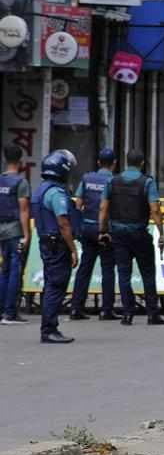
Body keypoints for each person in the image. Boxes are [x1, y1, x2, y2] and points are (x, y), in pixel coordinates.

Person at [98, 148, 164, 326]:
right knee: (148, 273)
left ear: (126, 162)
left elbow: (103, 208)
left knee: (123, 274)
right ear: (142, 163)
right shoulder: (147, 182)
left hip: (118, 234)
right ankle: (152, 314)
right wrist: (161, 233)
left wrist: (103, 230)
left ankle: (127, 314)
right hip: (139, 233)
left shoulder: (112, 181)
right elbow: (155, 210)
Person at [32, 150, 79, 344]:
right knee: (56, 286)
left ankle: (49, 327)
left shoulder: (40, 189)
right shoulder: (56, 192)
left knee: (51, 285)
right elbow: (63, 223)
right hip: (57, 244)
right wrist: (73, 248)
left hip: (46, 242)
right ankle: (49, 330)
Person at [69, 148, 118, 321]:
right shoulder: (114, 181)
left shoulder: (87, 178)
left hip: (87, 229)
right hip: (105, 230)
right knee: (107, 270)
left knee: (84, 268)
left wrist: (79, 226)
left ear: (98, 162)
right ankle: (106, 310)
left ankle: (76, 307)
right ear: (114, 163)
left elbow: (78, 204)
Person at [0, 145, 31, 325]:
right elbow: (24, 210)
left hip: (2, 230)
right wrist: (26, 235)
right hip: (15, 231)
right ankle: (10, 312)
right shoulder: (21, 182)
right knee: (15, 270)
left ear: (5, 159)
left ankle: (2, 309)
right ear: (20, 162)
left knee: (4, 270)